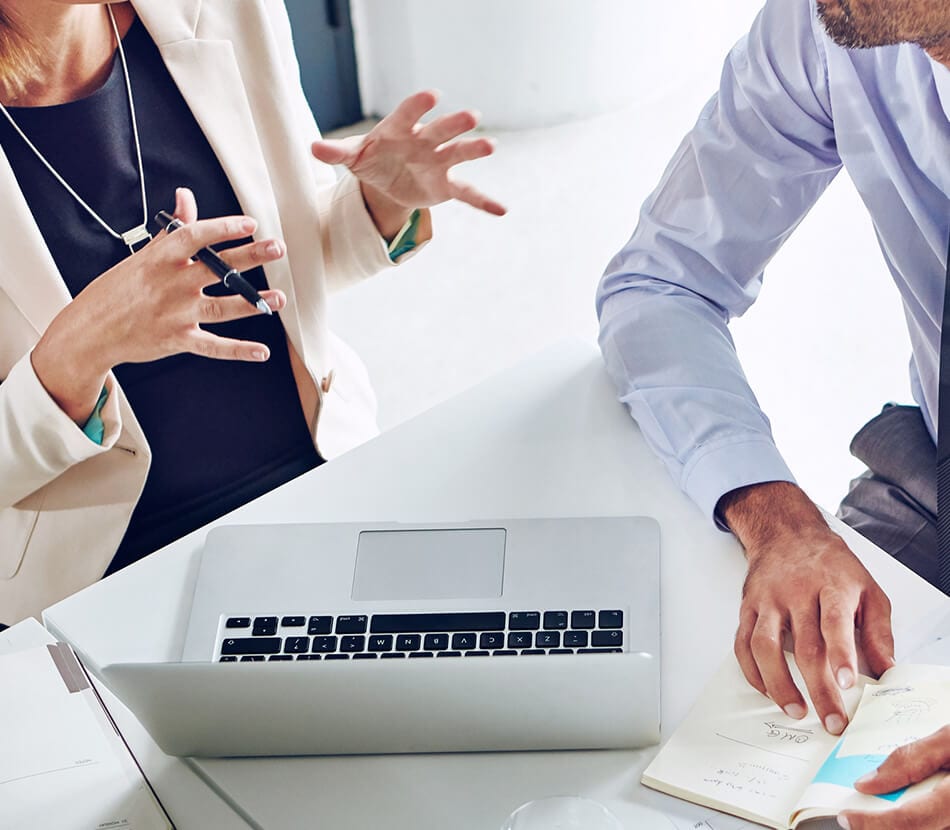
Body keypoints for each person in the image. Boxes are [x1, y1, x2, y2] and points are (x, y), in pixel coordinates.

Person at [0, 0, 504, 624]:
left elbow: (289, 261)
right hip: (103, 574)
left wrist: (378, 200)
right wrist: (74, 354)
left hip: (315, 475)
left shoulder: (230, 10)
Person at [596, 0, 949, 825]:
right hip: (934, 473)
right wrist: (776, 516)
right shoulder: (830, 25)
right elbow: (663, 281)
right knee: (692, 738)